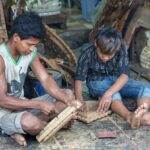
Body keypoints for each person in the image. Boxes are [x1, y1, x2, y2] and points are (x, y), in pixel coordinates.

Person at [0, 12, 75, 146]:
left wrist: (66, 100)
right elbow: (2, 100)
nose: (32, 49)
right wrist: (38, 104)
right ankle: (20, 127)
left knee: (67, 94)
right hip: (3, 113)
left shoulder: (30, 53)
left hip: (22, 106)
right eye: (29, 44)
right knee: (31, 123)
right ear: (16, 37)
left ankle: (22, 128)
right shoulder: (1, 58)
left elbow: (45, 79)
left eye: (35, 45)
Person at [74, 26, 150, 130]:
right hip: (97, 82)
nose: (105, 58)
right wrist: (79, 99)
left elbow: (124, 75)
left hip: (117, 80)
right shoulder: (87, 54)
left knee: (145, 87)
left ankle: (141, 113)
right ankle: (128, 116)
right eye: (102, 54)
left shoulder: (121, 48)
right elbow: (79, 79)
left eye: (109, 56)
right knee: (114, 94)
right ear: (96, 44)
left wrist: (107, 94)